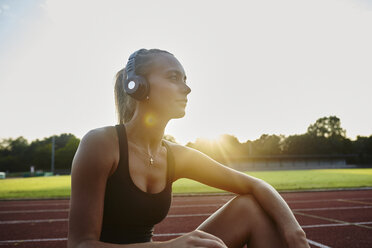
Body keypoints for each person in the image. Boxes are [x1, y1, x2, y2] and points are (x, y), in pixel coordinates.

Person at [67, 48, 310, 248]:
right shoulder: (101, 144)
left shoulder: (175, 155)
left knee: (250, 207)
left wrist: (294, 233)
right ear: (138, 85)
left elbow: (255, 185)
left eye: (185, 80)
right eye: (173, 77)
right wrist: (168, 247)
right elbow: (80, 245)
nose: (187, 88)